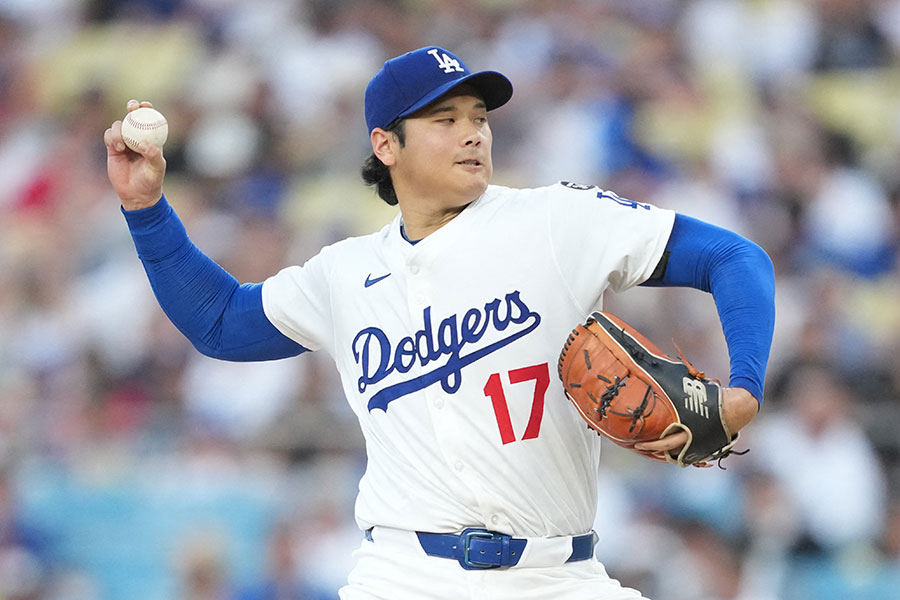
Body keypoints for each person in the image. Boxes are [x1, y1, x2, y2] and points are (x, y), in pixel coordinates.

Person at [104, 46, 775, 600]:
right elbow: (220, 321)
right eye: (444, 118)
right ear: (385, 144)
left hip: (558, 574)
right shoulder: (345, 273)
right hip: (402, 575)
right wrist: (147, 208)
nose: (473, 131)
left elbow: (733, 256)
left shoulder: (554, 220)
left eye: (478, 115)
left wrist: (745, 384)